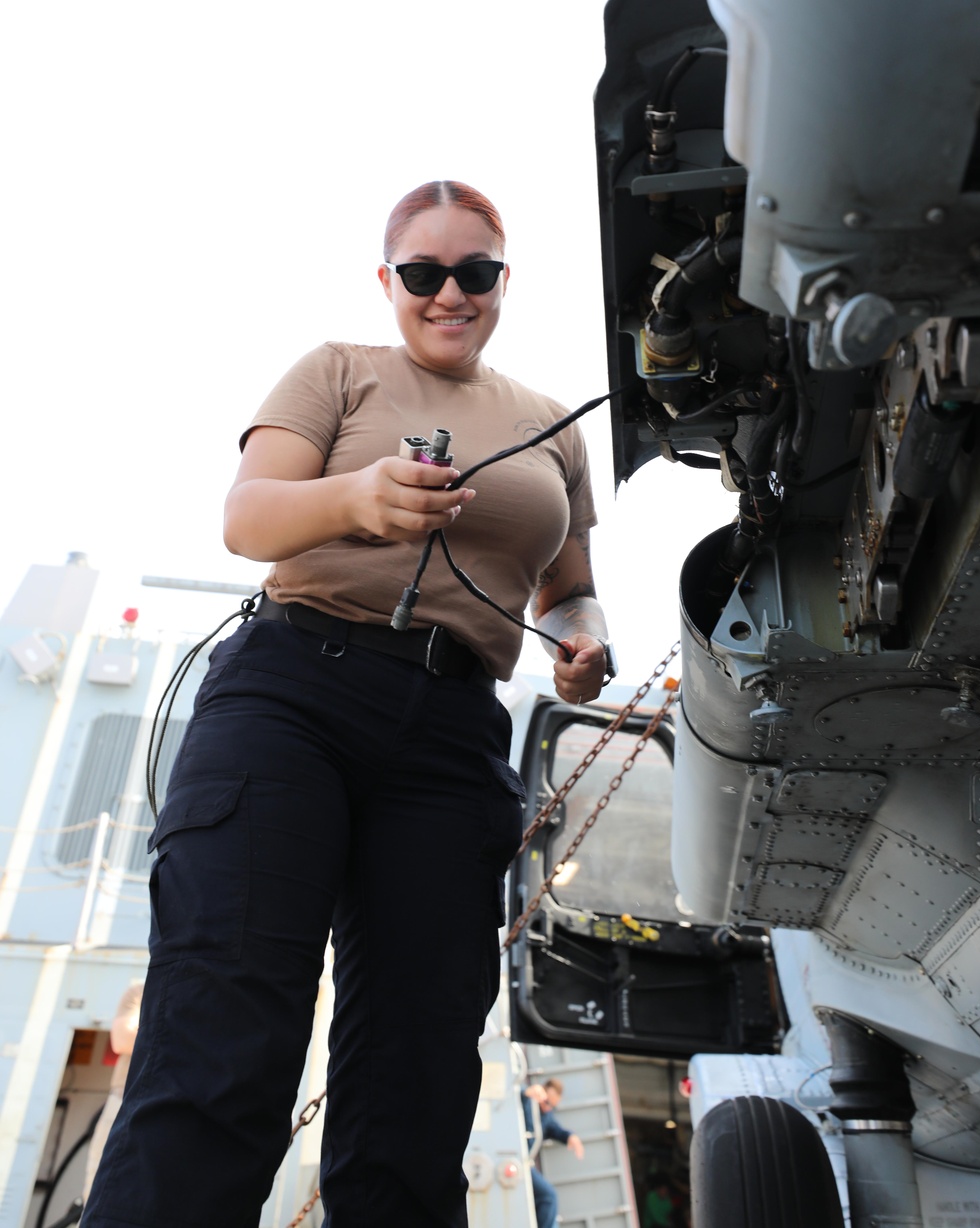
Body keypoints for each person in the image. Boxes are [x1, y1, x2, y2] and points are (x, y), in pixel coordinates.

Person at [82, 181, 612, 1228]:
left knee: (417, 1068)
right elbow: (248, 517)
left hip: (454, 736)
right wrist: (357, 497)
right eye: (423, 273)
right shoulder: (337, 371)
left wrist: (585, 641)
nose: (448, 293)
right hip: (293, 697)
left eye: (475, 272)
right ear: (389, 281)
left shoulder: (552, 423)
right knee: (225, 1028)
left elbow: (569, 585)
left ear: (505, 280)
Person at [81, 981, 144, 1203]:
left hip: (171, 1103)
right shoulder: (140, 990)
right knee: (100, 1185)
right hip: (123, 1099)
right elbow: (122, 1040)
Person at [522, 1078, 585, 1228]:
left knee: (547, 1199)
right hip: (516, 1158)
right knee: (548, 1196)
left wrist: (571, 1136)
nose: (548, 1108)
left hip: (524, 1162)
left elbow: (555, 1129)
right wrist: (525, 1093)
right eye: (547, 1102)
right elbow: (511, 1095)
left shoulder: (546, 1115)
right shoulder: (527, 1100)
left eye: (552, 1106)